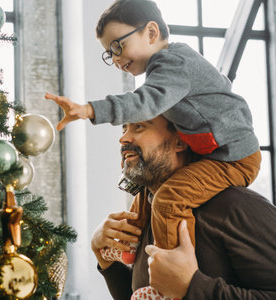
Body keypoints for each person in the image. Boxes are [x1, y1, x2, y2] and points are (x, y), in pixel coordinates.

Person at [45, 0, 261, 268]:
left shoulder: (173, 62)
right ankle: (132, 244)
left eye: (117, 46)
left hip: (233, 157)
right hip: (212, 151)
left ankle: (169, 270)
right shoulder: (171, 68)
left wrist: (90, 109)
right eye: (108, 53)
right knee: (148, 193)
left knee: (169, 200)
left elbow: (144, 103)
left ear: (150, 32)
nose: (114, 59)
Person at [90, 115, 276, 299]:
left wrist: (192, 287)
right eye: (124, 128)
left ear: (180, 141)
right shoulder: (148, 212)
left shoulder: (238, 207)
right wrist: (104, 258)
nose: (124, 138)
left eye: (139, 126)